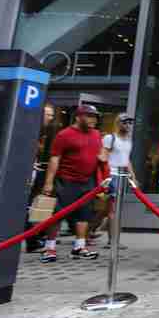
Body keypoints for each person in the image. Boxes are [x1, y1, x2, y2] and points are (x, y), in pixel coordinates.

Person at [40, 105, 103, 263]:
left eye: (95, 117)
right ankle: (50, 248)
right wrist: (48, 183)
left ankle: (79, 247)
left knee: (84, 215)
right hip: (66, 180)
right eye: (89, 116)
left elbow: (100, 154)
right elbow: (55, 158)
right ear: (78, 117)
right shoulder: (64, 135)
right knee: (58, 215)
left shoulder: (96, 134)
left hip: (88, 181)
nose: (93, 120)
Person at [96, 112, 137, 249]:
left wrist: (133, 176)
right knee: (112, 210)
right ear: (118, 123)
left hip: (121, 177)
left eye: (130, 122)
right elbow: (103, 157)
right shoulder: (110, 138)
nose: (128, 125)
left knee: (107, 210)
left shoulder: (128, 141)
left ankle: (90, 232)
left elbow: (126, 159)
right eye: (124, 122)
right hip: (111, 176)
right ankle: (113, 241)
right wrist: (105, 176)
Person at [25, 103, 57, 253]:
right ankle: (32, 239)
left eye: (51, 115)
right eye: (48, 114)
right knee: (26, 207)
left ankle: (34, 237)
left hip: (36, 171)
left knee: (31, 206)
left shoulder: (45, 132)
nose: (50, 118)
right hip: (27, 172)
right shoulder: (30, 128)